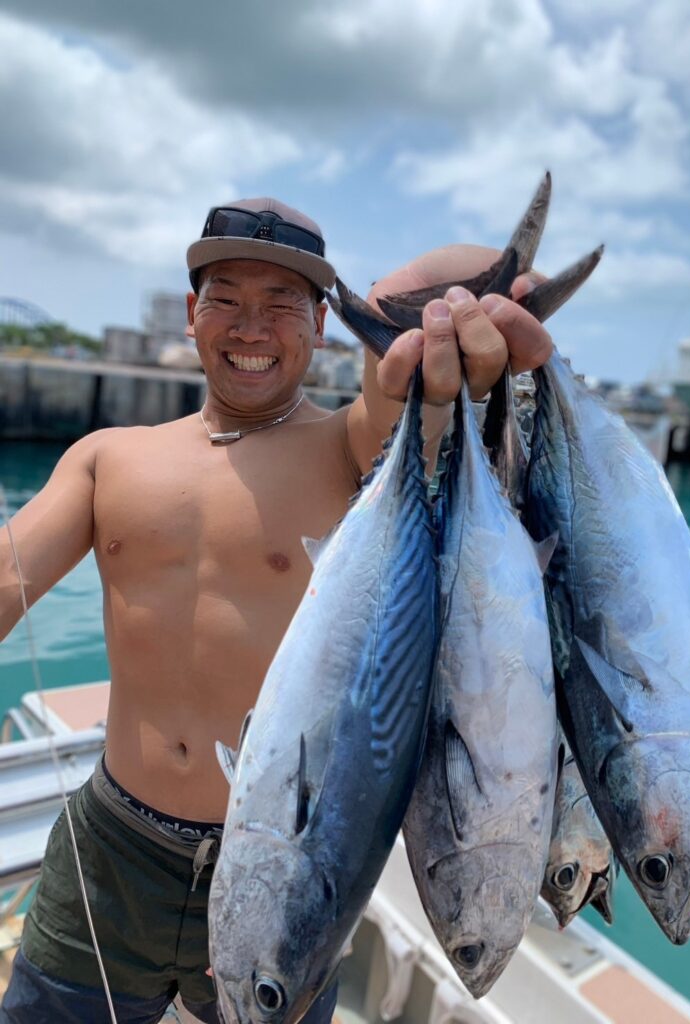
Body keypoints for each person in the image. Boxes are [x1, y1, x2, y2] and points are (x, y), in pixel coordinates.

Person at [0, 198, 552, 1023]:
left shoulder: (351, 449)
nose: (251, 327)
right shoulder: (106, 458)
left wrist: (417, 298)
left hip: (301, 860)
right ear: (192, 315)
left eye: (283, 303)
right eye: (225, 297)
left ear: (325, 323)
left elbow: (401, 380)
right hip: (111, 849)